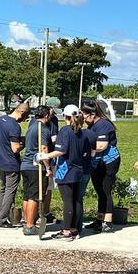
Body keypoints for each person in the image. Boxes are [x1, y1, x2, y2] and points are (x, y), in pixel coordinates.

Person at [37, 107, 94, 240]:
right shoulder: (83, 133)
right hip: (79, 170)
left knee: (68, 201)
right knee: (76, 200)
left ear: (65, 116)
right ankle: (75, 229)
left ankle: (67, 231)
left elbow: (61, 150)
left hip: (66, 170)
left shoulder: (65, 131)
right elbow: (87, 153)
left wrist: (44, 156)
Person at [81, 100, 120, 232]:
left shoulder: (103, 125)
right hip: (97, 161)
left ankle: (108, 221)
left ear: (92, 114)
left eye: (85, 116)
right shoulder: (92, 126)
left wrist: (83, 148)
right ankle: (99, 219)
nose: (84, 119)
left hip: (109, 161)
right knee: (99, 191)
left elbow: (102, 146)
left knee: (105, 190)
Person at [0, 102, 29, 228]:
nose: (25, 120)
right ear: (22, 112)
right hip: (11, 163)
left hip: (0, 160)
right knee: (10, 191)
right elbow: (15, 148)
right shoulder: (14, 126)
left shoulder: (0, 120)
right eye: (26, 116)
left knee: (2, 189)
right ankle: (2, 219)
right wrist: (24, 143)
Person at [19, 106, 52, 236]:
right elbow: (43, 149)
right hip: (35, 167)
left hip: (25, 165)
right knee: (34, 195)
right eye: (50, 115)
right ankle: (30, 225)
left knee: (27, 195)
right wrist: (48, 167)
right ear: (46, 116)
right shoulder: (42, 129)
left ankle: (27, 221)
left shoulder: (31, 126)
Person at [42, 97, 61, 222]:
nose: (54, 114)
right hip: (44, 156)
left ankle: (46, 212)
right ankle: (39, 213)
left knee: (49, 187)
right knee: (42, 187)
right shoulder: (39, 121)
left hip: (52, 156)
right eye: (54, 110)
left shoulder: (54, 119)